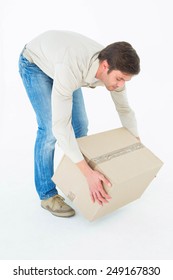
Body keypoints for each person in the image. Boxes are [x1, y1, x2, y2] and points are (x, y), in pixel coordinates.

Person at [18, 30, 140, 218]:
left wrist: (137, 147)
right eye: (119, 79)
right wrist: (89, 173)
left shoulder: (113, 66)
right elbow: (60, 126)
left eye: (126, 80)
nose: (121, 85)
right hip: (35, 64)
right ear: (105, 66)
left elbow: (125, 110)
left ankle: (76, 178)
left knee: (80, 125)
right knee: (50, 130)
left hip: (60, 61)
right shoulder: (72, 69)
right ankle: (47, 195)